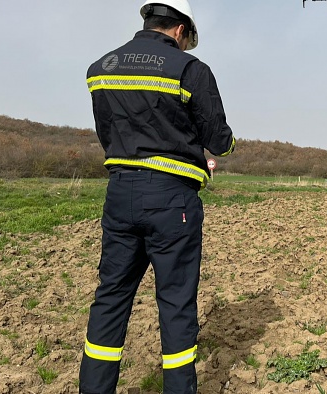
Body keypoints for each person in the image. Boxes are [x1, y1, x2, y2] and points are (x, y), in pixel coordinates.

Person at [79, 1, 235, 392]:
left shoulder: (102, 68)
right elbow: (219, 140)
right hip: (172, 200)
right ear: (181, 31)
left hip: (119, 194)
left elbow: (107, 132)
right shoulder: (190, 70)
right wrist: (226, 145)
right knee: (176, 305)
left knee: (111, 298)